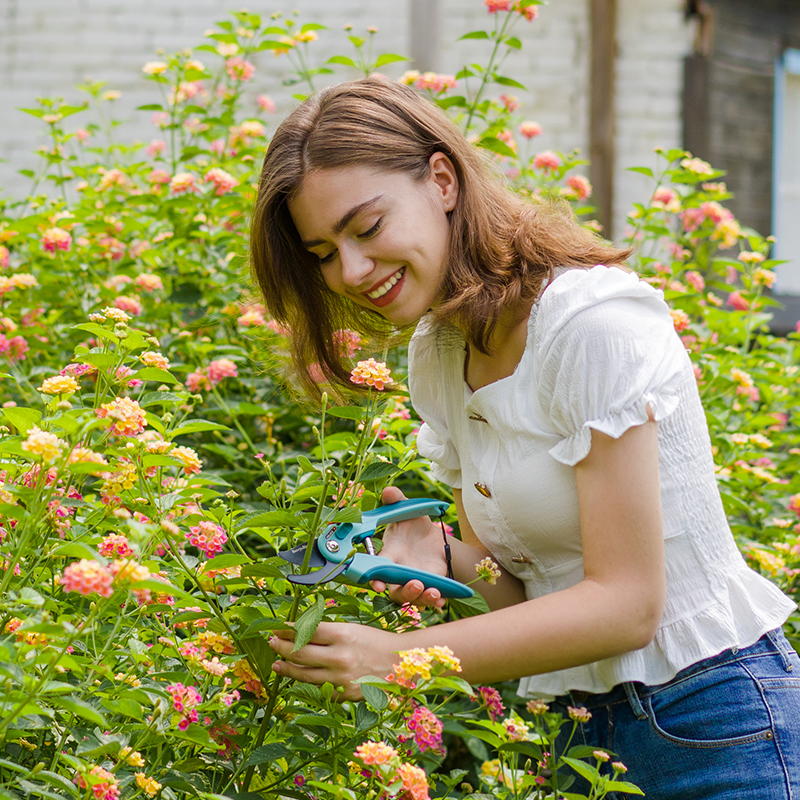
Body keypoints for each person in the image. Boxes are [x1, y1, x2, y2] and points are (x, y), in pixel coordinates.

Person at [250, 77, 800, 798]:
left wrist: (400, 658)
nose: (349, 271)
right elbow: (522, 595)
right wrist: (448, 557)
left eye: (367, 227)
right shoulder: (442, 353)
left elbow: (628, 604)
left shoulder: (590, 324)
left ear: (441, 179)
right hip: (586, 737)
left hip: (717, 723)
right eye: (323, 252)